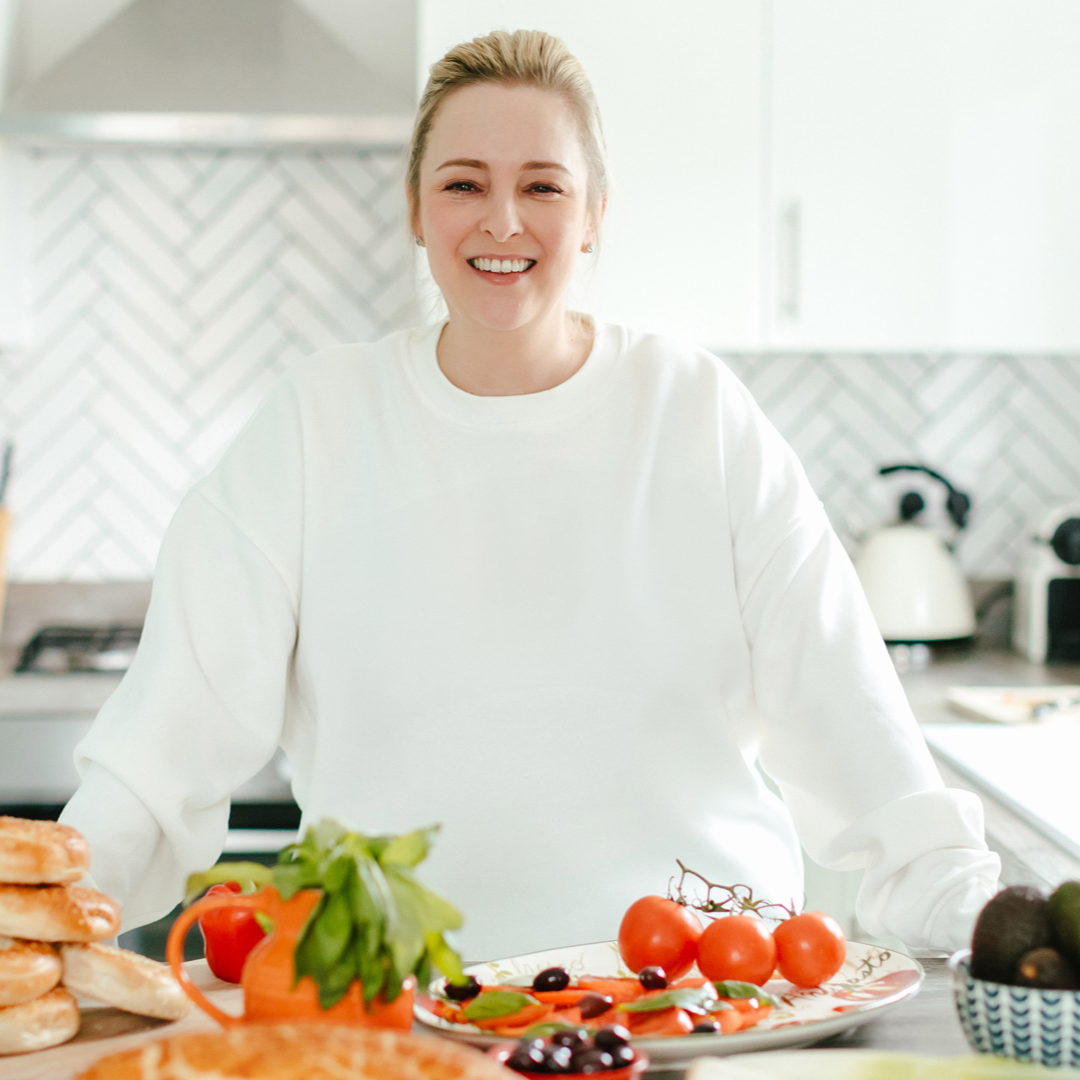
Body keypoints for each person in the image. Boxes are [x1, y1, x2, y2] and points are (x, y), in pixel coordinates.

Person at [60, 29, 999, 961]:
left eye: (543, 186)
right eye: (464, 183)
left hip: (698, 1001)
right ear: (416, 212)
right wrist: (54, 910)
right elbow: (163, 743)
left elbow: (851, 716)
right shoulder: (316, 423)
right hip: (401, 1007)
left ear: (593, 214)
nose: (502, 221)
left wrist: (980, 917)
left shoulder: (696, 412)